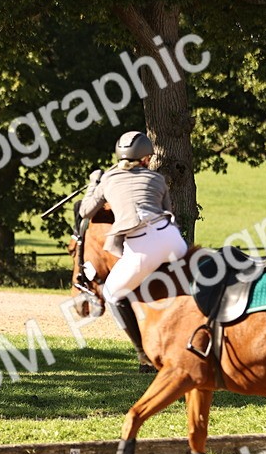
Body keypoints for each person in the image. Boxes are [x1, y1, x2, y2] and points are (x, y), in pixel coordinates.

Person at [79, 131, 189, 370]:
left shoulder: (108, 179)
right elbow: (167, 210)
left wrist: (93, 183)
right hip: (172, 238)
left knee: (112, 294)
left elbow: (85, 212)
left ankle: (145, 355)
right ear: (146, 159)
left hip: (142, 246)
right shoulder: (157, 179)